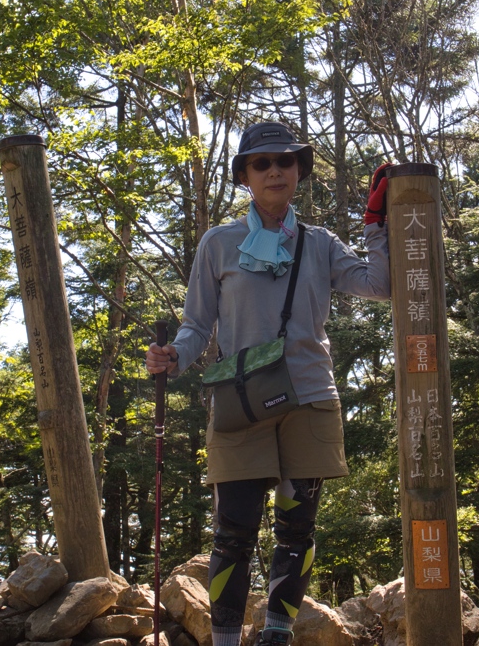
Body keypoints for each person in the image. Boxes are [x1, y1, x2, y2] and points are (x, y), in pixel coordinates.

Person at [145, 121, 391, 646]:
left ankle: (277, 633)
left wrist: (374, 225)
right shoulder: (220, 243)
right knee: (232, 530)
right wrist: (174, 359)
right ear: (245, 177)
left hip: (309, 396)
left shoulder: (320, 243)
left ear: (300, 170)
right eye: (262, 163)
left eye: (286, 160)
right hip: (240, 403)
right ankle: (228, 638)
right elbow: (196, 326)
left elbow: (381, 285)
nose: (275, 170)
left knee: (297, 529)